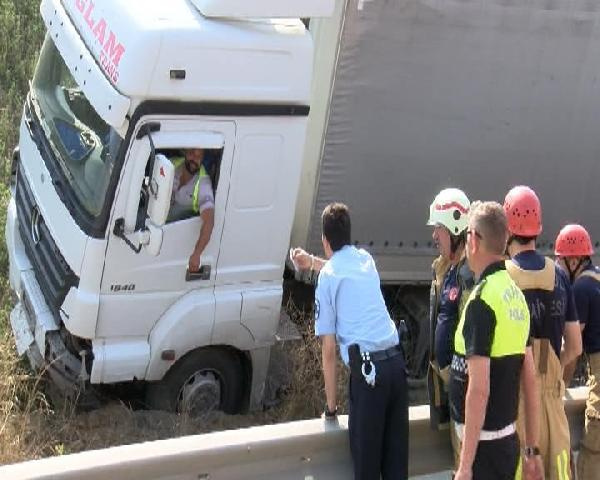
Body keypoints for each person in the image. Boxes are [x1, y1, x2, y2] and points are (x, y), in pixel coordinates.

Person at [291, 203, 408, 480]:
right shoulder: (365, 259)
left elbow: (329, 350)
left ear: (325, 240)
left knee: (366, 470)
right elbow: (339, 269)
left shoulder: (327, 279)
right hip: (396, 368)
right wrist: (312, 262)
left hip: (369, 379)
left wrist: (331, 410)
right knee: (396, 470)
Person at [450, 200, 543, 480]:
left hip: (481, 449)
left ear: (475, 241)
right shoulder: (515, 296)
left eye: (466, 235)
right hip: (507, 443)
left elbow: (479, 390)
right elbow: (530, 380)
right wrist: (532, 450)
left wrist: (465, 467)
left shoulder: (482, 302)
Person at [503, 186, 581, 480]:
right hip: (554, 408)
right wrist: (555, 376)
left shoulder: (504, 277)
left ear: (508, 227)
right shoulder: (560, 274)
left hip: (519, 409)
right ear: (539, 227)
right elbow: (575, 345)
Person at [426, 188, 473, 463]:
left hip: (468, 393)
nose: (434, 236)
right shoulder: (448, 269)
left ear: (456, 229)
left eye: (439, 228)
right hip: (454, 393)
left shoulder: (470, 274)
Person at [554, 224, 600, 480]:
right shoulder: (597, 277)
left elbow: (572, 347)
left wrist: (559, 383)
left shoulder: (581, 288)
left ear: (573, 260)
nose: (560, 266)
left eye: (561, 260)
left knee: (593, 450)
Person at [169, 148, 215, 272]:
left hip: (172, 232)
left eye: (199, 156)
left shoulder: (203, 183)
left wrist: (197, 254)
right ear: (185, 152)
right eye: (191, 153)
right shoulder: (171, 164)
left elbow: (209, 220)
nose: (194, 159)